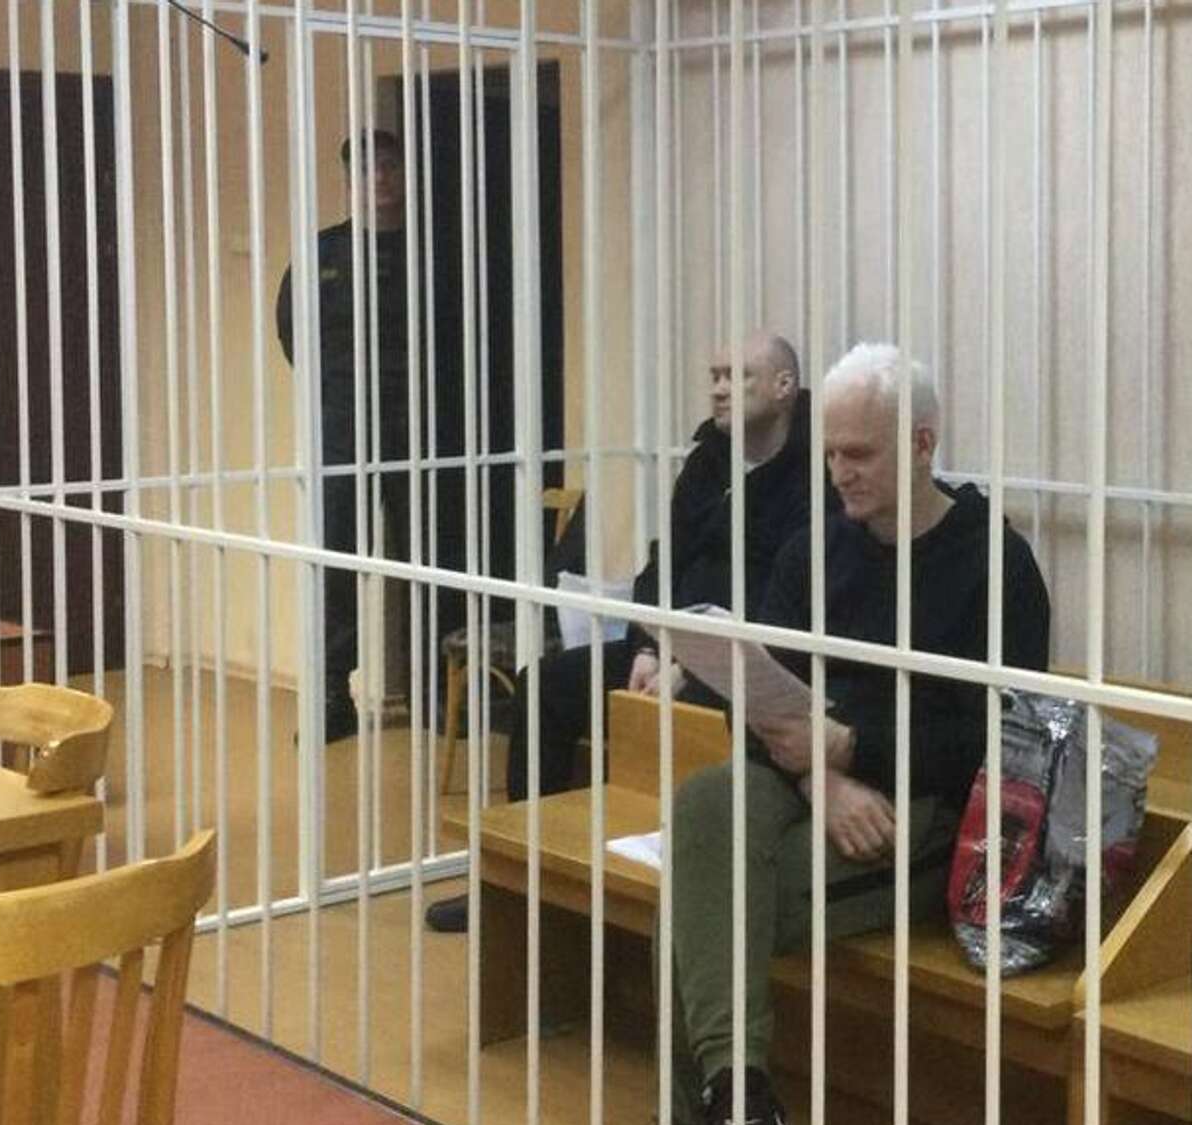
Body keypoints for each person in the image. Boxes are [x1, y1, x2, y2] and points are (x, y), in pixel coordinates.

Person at [639, 343, 1052, 1125]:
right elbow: (759, 705)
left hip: (926, 806)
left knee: (696, 901)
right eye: (829, 453)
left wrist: (855, 744)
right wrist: (824, 779)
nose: (838, 472)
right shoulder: (813, 551)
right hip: (813, 780)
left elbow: (1001, 741)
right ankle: (744, 1117)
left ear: (924, 443)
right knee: (703, 803)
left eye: (859, 454)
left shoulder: (994, 565)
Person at [425, 333, 826, 933]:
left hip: (757, 662)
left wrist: (694, 660)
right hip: (671, 643)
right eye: (714, 375)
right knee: (544, 687)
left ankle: (656, 902)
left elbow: (785, 594)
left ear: (784, 387)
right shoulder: (708, 460)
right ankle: (513, 880)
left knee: (694, 712)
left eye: (737, 376)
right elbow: (664, 562)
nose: (718, 388)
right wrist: (648, 645)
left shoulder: (816, 471)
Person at [276, 129, 424, 743]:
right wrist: (338, 396)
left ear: (405, 174)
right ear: (349, 181)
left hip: (422, 431)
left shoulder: (433, 249)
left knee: (428, 559)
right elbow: (293, 333)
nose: (379, 178)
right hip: (344, 430)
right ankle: (335, 694)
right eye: (366, 168)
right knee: (336, 562)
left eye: (389, 165)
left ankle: (434, 691)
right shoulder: (323, 254)